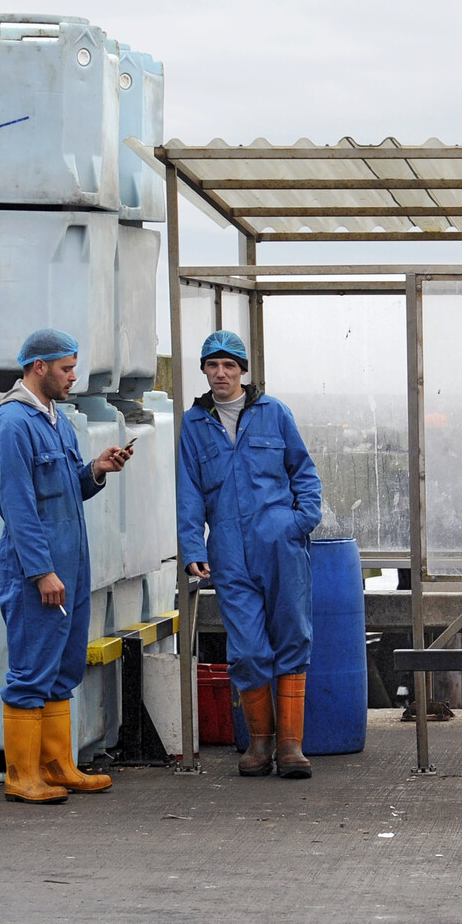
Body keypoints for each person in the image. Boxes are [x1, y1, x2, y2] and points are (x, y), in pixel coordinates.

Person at [0, 328, 134, 804]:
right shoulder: (12, 423)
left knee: (63, 665)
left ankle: (57, 766)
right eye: (67, 369)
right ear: (38, 367)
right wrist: (41, 571)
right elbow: (19, 505)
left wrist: (95, 470)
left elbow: (69, 487)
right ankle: (21, 776)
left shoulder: (57, 421)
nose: (74, 377)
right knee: (31, 668)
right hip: (38, 569)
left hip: (71, 562)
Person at [176, 331, 325, 778]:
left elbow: (303, 469)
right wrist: (191, 547)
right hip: (228, 552)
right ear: (203, 370)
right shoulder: (194, 424)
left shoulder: (274, 412)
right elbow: (188, 491)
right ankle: (259, 742)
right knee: (245, 648)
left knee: (292, 636)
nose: (221, 373)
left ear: (243, 370)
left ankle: (290, 746)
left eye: (229, 365)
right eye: (212, 365)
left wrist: (300, 522)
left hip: (280, 544)